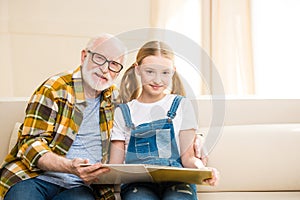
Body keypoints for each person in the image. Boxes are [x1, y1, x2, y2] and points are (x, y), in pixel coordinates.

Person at [0, 33, 127, 200]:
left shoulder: (116, 99)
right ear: (84, 56)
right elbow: (30, 144)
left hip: (81, 187)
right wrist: (69, 166)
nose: (105, 69)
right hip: (35, 177)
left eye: (114, 65)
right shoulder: (55, 88)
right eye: (99, 58)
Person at [109, 41, 219, 200]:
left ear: (173, 72)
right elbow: (116, 165)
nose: (157, 80)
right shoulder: (123, 112)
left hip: (177, 179)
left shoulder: (182, 105)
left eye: (165, 73)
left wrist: (203, 170)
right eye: (150, 71)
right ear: (137, 69)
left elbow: (188, 158)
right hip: (137, 183)